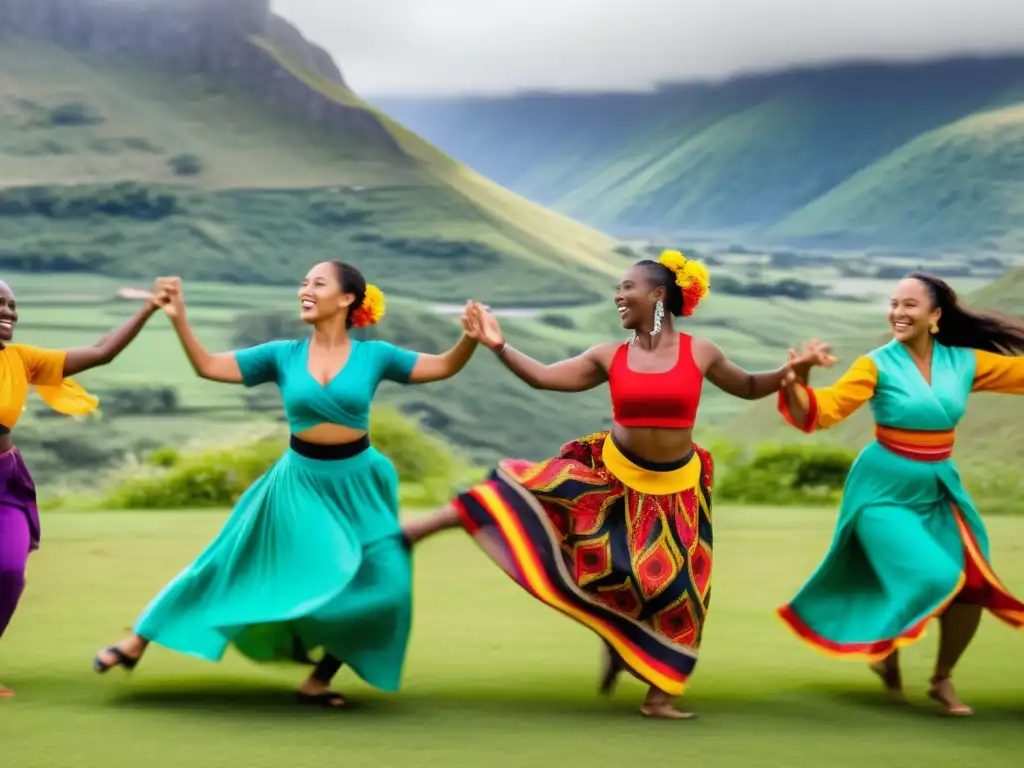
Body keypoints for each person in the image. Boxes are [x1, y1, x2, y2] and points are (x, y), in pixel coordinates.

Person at [401, 251, 827, 719]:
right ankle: (421, 528)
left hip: (676, 491)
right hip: (609, 478)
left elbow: (747, 386)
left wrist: (794, 371)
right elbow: (545, 378)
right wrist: (499, 346)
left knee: (677, 593)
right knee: (520, 489)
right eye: (618, 289)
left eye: (628, 288)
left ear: (658, 295)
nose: (619, 296)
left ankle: (657, 696)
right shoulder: (609, 355)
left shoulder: (700, 352)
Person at [93, 262, 479, 708]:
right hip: (299, 484)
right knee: (226, 563)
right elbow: (208, 367)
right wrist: (179, 316)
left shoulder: (377, 357)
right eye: (303, 283)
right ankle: (136, 642)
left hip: (362, 483)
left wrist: (469, 336)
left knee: (384, 582)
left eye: (317, 283)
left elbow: (445, 365)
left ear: (347, 298)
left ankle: (318, 680)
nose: (305, 290)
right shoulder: (281, 354)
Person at [776, 271, 1024, 716]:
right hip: (882, 491)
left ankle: (942, 679)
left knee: (971, 583)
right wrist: (798, 378)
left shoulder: (965, 363)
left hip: (939, 487)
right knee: (934, 575)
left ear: (935, 316)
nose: (897, 312)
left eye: (909, 305)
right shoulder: (876, 364)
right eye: (893, 303)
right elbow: (824, 413)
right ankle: (882, 644)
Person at [1, 279, 166, 698]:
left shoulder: (21, 360)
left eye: (13, 305)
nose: (9, 313)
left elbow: (100, 352)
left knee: (8, 571)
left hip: (5, 480)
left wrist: (147, 309)